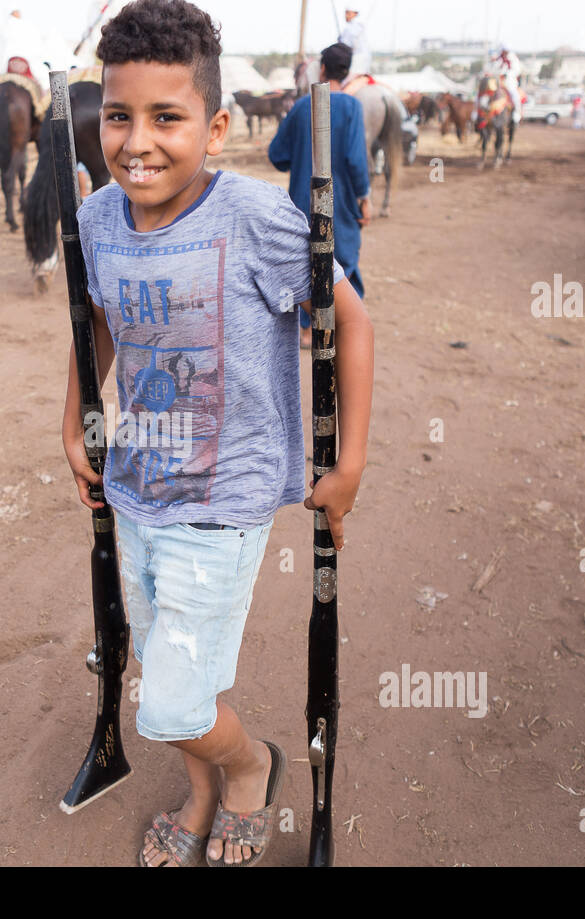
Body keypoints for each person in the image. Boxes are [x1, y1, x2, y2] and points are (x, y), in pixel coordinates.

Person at [61, 0, 373, 867]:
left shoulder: (254, 220)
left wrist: (348, 464)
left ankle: (250, 768)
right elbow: (100, 323)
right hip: (136, 491)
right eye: (119, 116)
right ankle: (202, 791)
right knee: (164, 663)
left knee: (169, 705)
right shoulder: (97, 221)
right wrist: (77, 421)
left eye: (168, 117)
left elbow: (349, 320)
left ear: (218, 126)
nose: (137, 141)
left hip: (223, 500)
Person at [269, 42, 372, 349]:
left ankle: (305, 330)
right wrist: (364, 196)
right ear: (348, 71)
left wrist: (300, 156)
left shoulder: (302, 106)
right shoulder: (352, 107)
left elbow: (276, 154)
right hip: (339, 205)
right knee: (342, 261)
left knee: (306, 262)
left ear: (323, 68)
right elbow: (356, 160)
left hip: (302, 205)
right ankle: (342, 328)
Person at [338, 8, 373, 91]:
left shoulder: (350, 28)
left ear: (355, 14)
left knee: (340, 87)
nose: (345, 16)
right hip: (364, 65)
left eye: (348, 13)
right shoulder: (360, 27)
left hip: (355, 64)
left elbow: (344, 47)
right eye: (345, 13)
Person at [489, 43, 523, 122]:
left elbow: (517, 70)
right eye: (504, 51)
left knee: (514, 95)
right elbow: (494, 68)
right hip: (497, 82)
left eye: (506, 51)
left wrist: (507, 74)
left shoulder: (513, 59)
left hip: (509, 82)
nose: (505, 52)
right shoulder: (498, 58)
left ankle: (516, 114)